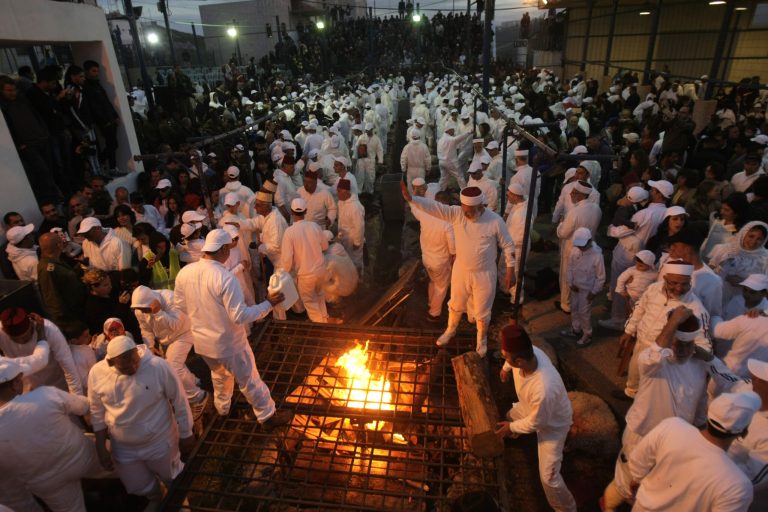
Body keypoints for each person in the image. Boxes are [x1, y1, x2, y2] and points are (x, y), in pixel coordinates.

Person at [174, 229, 291, 427]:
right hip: (229, 344)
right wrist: (268, 305)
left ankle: (223, 410)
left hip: (204, 345)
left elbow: (179, 304)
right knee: (249, 380)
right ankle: (267, 416)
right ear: (224, 248)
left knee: (219, 377)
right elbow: (240, 316)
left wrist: (204, 314)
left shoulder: (185, 273)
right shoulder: (225, 278)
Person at [602, 309, 714, 511]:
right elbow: (651, 357)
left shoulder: (698, 366)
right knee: (626, 483)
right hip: (641, 437)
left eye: (687, 345)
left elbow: (699, 404)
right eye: (676, 343)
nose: (680, 350)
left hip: (675, 445)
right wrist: (673, 322)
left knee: (655, 487)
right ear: (668, 340)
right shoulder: (654, 362)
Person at [402, 183, 515, 357]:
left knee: (482, 310)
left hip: (484, 273)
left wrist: (510, 270)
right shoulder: (457, 214)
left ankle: (481, 340)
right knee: (455, 304)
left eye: (469, 210)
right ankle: (450, 330)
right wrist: (413, 199)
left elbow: (508, 245)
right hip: (461, 270)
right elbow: (435, 208)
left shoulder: (494, 221)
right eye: (464, 209)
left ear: (480, 206)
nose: (465, 213)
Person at [88, 336, 193, 506]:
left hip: (159, 440)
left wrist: (186, 432)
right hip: (123, 448)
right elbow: (96, 410)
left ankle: (181, 504)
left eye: (135, 362)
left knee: (172, 477)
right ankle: (157, 497)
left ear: (138, 353)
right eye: (126, 366)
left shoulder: (158, 366)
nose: (133, 368)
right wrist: (100, 445)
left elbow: (179, 399)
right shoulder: (96, 373)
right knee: (138, 485)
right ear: (111, 363)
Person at [0, 354, 111, 512]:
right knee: (127, 461)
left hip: (48, 485)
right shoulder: (44, 395)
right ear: (16, 383)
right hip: (82, 455)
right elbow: (85, 406)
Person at [628, 391, 758, 511]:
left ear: (708, 412)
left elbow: (637, 462)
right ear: (744, 432)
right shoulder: (738, 486)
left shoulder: (672, 426)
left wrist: (636, 480)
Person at [495, 323, 577, 512]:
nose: (504, 358)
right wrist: (506, 368)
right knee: (509, 418)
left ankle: (566, 508)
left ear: (520, 361)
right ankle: (511, 436)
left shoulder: (544, 387)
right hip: (529, 407)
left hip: (552, 425)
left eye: (507, 358)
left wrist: (511, 427)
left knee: (549, 478)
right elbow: (512, 355)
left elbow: (537, 423)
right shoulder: (530, 354)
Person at [619, 259, 712, 399]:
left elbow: (704, 346)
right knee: (634, 375)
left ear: (690, 281)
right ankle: (630, 395)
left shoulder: (696, 309)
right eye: (673, 283)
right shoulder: (654, 288)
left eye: (684, 284)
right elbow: (640, 308)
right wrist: (628, 330)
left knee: (653, 392)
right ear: (665, 278)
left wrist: (681, 353)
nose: (679, 289)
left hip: (664, 358)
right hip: (641, 343)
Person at [601, 179, 672, 331]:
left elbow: (620, 231)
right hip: (647, 257)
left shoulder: (645, 213)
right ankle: (629, 318)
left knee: (620, 287)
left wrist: (610, 228)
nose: (650, 191)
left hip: (627, 255)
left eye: (653, 190)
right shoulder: (666, 213)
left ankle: (618, 319)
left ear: (659, 195)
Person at [130, 285, 208, 416]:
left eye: (145, 309)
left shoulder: (171, 298)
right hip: (164, 339)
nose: (143, 311)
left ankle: (198, 397)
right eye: (140, 309)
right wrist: (149, 346)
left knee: (173, 366)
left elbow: (176, 325)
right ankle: (193, 381)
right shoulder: (140, 309)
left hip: (183, 333)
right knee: (176, 364)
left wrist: (158, 313)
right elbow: (145, 328)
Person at [0, 307, 83, 395]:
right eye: (15, 339)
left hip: (59, 385)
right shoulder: (1, 334)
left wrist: (77, 398)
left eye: (24, 337)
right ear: (4, 331)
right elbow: (40, 360)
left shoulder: (49, 330)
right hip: (28, 389)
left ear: (32, 325)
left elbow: (69, 369)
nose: (21, 341)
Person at [279, 198, 332, 323]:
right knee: (320, 297)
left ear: (291, 212)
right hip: (320, 271)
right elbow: (325, 246)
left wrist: (283, 274)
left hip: (306, 276)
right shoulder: (314, 226)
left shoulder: (289, 232)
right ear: (306, 211)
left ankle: (321, 328)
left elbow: (287, 261)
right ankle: (325, 319)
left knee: (311, 304)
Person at [411, 178, 455, 322]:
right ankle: (434, 313)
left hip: (427, 259)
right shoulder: (447, 223)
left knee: (433, 281)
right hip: (440, 261)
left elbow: (415, 208)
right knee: (442, 287)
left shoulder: (426, 215)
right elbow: (453, 248)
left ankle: (431, 303)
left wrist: (414, 195)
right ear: (447, 204)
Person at [555, 180, 602, 314]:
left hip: (572, 248)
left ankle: (567, 305)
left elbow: (563, 233)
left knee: (567, 276)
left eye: (574, 192)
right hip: (589, 247)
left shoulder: (574, 212)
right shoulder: (596, 209)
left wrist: (560, 225)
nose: (570, 194)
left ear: (581, 195)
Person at [728, 359, 768, 511]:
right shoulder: (747, 393)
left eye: (760, 379)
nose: (753, 379)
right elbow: (728, 380)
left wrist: (715, 477)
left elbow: (754, 478)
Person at [562, 228, 605, 347]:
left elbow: (600, 277)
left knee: (584, 313)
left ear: (590, 241)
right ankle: (576, 329)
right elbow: (570, 267)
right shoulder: (575, 250)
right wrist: (570, 283)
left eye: (583, 245)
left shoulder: (597, 255)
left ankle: (587, 334)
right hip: (575, 287)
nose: (580, 248)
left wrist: (594, 291)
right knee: (574, 309)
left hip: (587, 290)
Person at [710, 221, 768, 306]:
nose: (754, 241)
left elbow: (765, 287)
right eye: (751, 236)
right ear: (744, 234)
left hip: (745, 303)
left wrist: (744, 282)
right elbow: (708, 272)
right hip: (718, 295)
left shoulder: (764, 258)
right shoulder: (725, 250)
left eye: (759, 239)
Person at [36, 232, 87, 324]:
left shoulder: (55, 261)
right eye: (61, 241)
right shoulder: (47, 269)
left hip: (77, 307)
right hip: (70, 315)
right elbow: (51, 296)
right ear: (59, 245)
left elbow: (66, 277)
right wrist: (63, 320)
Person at [336, 179, 365, 276]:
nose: (337, 193)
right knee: (347, 261)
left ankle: (359, 280)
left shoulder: (355, 207)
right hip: (344, 238)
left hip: (353, 239)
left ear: (346, 191)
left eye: (339, 191)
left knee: (356, 261)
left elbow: (359, 227)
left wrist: (357, 242)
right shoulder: (341, 203)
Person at [437, 122, 473, 190]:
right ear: (449, 130)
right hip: (450, 162)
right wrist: (469, 132)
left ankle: (439, 192)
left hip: (441, 162)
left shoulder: (440, 140)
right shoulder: (450, 139)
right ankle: (465, 192)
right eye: (453, 129)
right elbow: (460, 138)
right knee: (460, 177)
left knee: (444, 179)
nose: (454, 131)